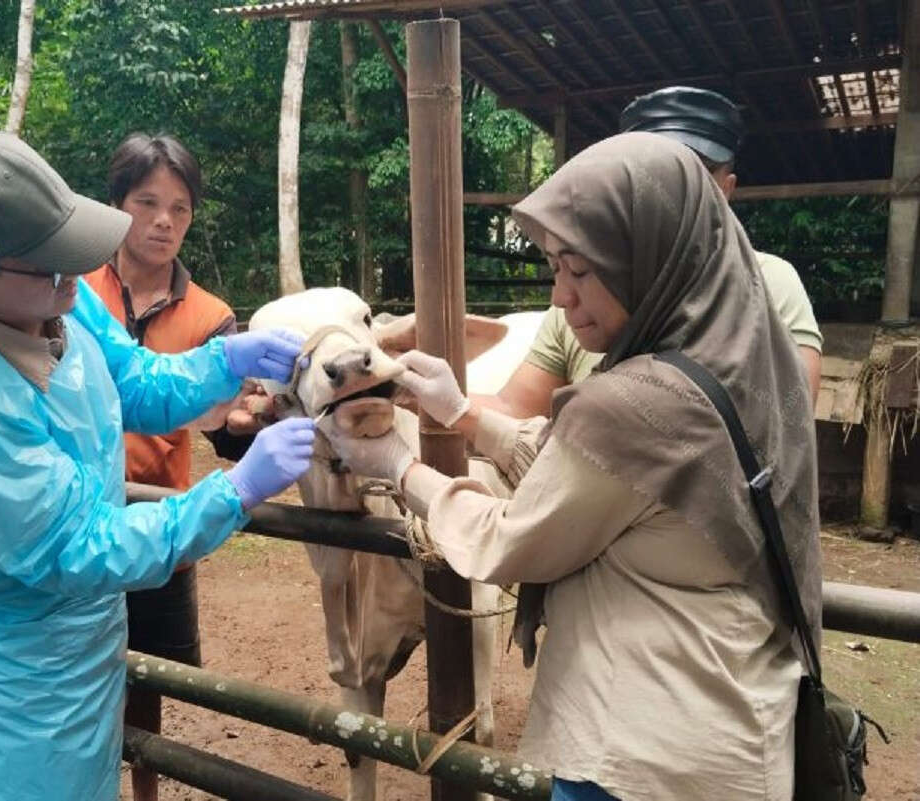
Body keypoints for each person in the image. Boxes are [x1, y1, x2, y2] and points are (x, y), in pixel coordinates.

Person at [328, 133, 821, 801]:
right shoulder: (751, 370)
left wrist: (396, 462)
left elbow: (507, 538)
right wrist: (464, 414)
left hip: (635, 758)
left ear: (645, 257)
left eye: (580, 269)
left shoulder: (630, 405)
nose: (559, 295)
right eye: (555, 266)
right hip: (743, 737)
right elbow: (605, 480)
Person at [0, 130, 315, 801]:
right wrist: (231, 491)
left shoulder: (53, 297)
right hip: (15, 689)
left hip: (84, 650)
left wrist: (221, 362)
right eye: (52, 268)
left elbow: (130, 378)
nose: (71, 280)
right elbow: (81, 547)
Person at [82, 132, 253, 801]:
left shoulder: (213, 316)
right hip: (81, 513)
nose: (162, 220)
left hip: (160, 526)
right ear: (116, 204)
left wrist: (243, 427)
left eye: (178, 209)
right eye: (147, 201)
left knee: (147, 679)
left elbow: (228, 436)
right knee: (79, 666)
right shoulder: (70, 290)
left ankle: (145, 788)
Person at [487, 86, 823, 419]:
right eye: (653, 175)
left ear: (727, 188)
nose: (671, 193)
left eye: (694, 174)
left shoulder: (769, 283)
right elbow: (514, 409)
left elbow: (788, 426)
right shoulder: (578, 292)